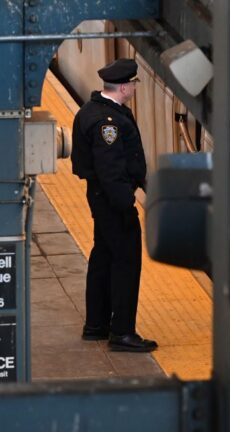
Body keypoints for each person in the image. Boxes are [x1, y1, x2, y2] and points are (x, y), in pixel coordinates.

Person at [71, 58, 157, 352]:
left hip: (99, 198)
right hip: (112, 201)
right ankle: (122, 332)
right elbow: (110, 171)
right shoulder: (108, 123)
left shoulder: (94, 110)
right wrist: (127, 203)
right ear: (123, 87)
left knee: (103, 257)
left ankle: (96, 325)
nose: (134, 87)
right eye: (133, 83)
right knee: (126, 263)